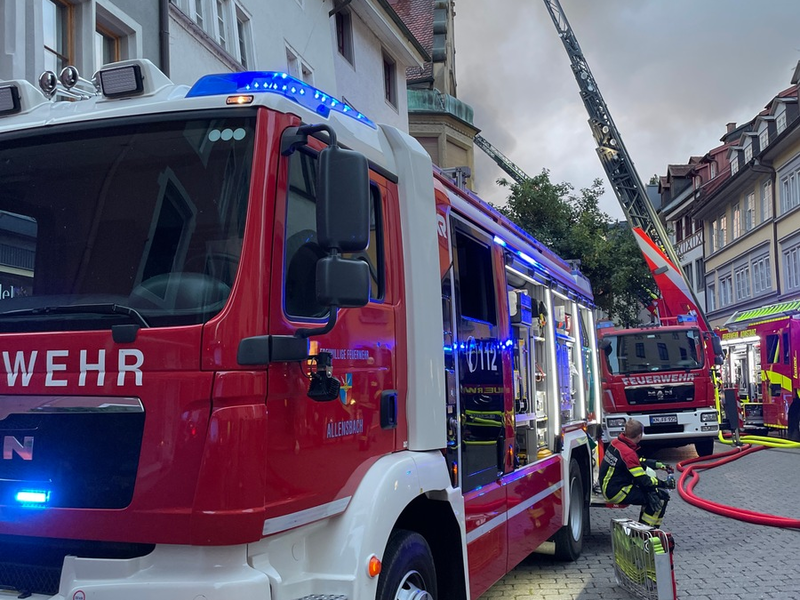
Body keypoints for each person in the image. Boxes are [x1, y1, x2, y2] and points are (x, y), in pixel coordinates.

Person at [600, 419, 675, 527]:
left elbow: (635, 462)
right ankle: (644, 533)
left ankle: (649, 530)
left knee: (652, 493)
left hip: (610, 487)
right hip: (617, 492)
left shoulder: (616, 443)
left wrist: (656, 464)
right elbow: (643, 479)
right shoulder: (628, 453)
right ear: (639, 436)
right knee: (660, 496)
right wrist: (664, 484)